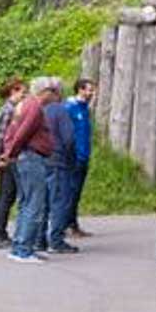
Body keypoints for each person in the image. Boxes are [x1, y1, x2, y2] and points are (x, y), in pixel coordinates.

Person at [0, 76, 58, 263]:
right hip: (31, 158)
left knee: (26, 202)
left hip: (23, 157)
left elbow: (11, 131)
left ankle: (19, 246)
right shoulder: (34, 106)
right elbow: (22, 131)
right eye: (53, 91)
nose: (56, 95)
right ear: (45, 92)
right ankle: (24, 249)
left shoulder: (24, 105)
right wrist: (10, 152)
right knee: (34, 203)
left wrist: (10, 151)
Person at [43, 80, 81, 254]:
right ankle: (56, 240)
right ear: (58, 93)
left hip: (41, 159)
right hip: (58, 160)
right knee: (60, 201)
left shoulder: (39, 110)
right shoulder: (60, 111)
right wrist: (73, 159)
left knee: (43, 201)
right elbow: (69, 138)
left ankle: (39, 238)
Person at [0, 76, 27, 249]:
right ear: (13, 91)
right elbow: (0, 137)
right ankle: (0, 233)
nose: (24, 95)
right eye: (22, 91)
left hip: (10, 157)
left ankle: (2, 232)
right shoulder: (8, 110)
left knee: (8, 195)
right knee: (6, 195)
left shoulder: (11, 109)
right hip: (8, 158)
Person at [65, 78, 96, 238]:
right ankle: (67, 225)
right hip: (74, 156)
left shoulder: (85, 109)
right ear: (80, 90)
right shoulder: (70, 108)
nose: (92, 93)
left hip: (84, 155)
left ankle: (72, 223)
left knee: (76, 192)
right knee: (71, 191)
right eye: (89, 90)